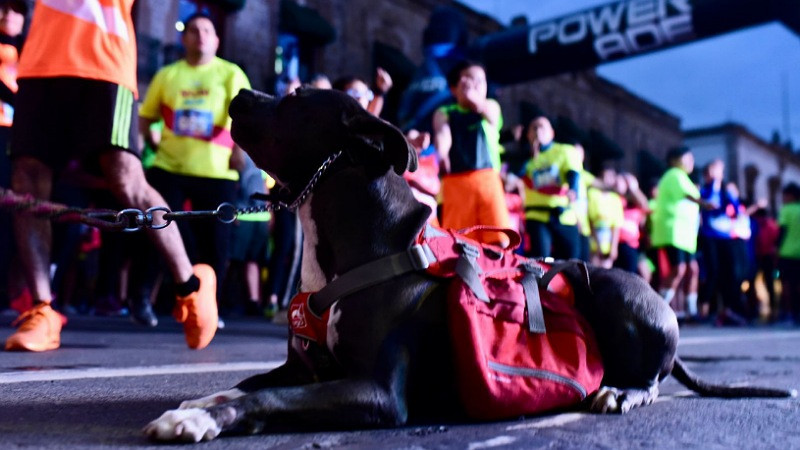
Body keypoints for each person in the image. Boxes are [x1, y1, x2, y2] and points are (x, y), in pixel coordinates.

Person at [5, 0, 217, 351]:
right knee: (27, 181)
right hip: (40, 61)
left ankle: (191, 286)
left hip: (103, 58)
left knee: (127, 179)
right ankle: (42, 310)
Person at [136, 12, 251, 326]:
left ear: (216, 40)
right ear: (183, 38)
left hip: (216, 173)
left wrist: (239, 152)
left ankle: (207, 306)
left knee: (216, 244)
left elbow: (246, 118)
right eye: (193, 30)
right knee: (157, 232)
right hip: (168, 168)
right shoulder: (167, 74)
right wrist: (152, 139)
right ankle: (143, 300)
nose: (200, 35)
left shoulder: (231, 74)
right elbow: (146, 116)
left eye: (207, 30)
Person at [432, 60, 511, 246]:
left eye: (479, 81)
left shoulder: (491, 106)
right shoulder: (445, 112)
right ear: (454, 88)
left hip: (488, 180)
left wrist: (474, 98)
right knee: (459, 242)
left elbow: (490, 116)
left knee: (499, 240)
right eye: (468, 80)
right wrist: (442, 154)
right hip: (456, 182)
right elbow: (443, 135)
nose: (474, 85)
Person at [514, 115, 582, 259]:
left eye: (542, 126)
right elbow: (515, 175)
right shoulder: (524, 157)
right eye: (534, 127)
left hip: (563, 215)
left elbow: (573, 173)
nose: (538, 130)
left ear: (552, 133)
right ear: (528, 135)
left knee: (571, 260)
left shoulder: (565, 150)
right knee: (541, 259)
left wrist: (573, 190)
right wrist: (528, 155)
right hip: (536, 215)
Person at [650, 146, 702, 319]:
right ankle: (658, 308)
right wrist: (707, 203)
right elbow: (690, 196)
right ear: (674, 160)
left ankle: (691, 311)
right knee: (678, 269)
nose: (690, 162)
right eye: (686, 158)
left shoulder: (685, 178)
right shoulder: (674, 175)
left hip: (686, 236)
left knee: (693, 269)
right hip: (674, 232)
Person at [0, 0, 25, 314]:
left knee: (10, 214)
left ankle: (7, 292)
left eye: (15, 9)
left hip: (16, 137)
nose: (7, 14)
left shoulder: (33, 49)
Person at [587, 164, 623, 268]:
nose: (607, 180)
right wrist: (597, 244)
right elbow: (590, 220)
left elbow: (616, 225)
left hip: (608, 245)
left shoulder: (615, 198)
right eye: (605, 176)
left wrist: (614, 247)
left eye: (611, 177)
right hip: (593, 245)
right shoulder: (592, 194)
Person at [777, 182, 800, 325]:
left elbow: (782, 231)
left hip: (787, 252)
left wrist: (776, 247)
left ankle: (789, 314)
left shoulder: (787, 210)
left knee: (786, 285)